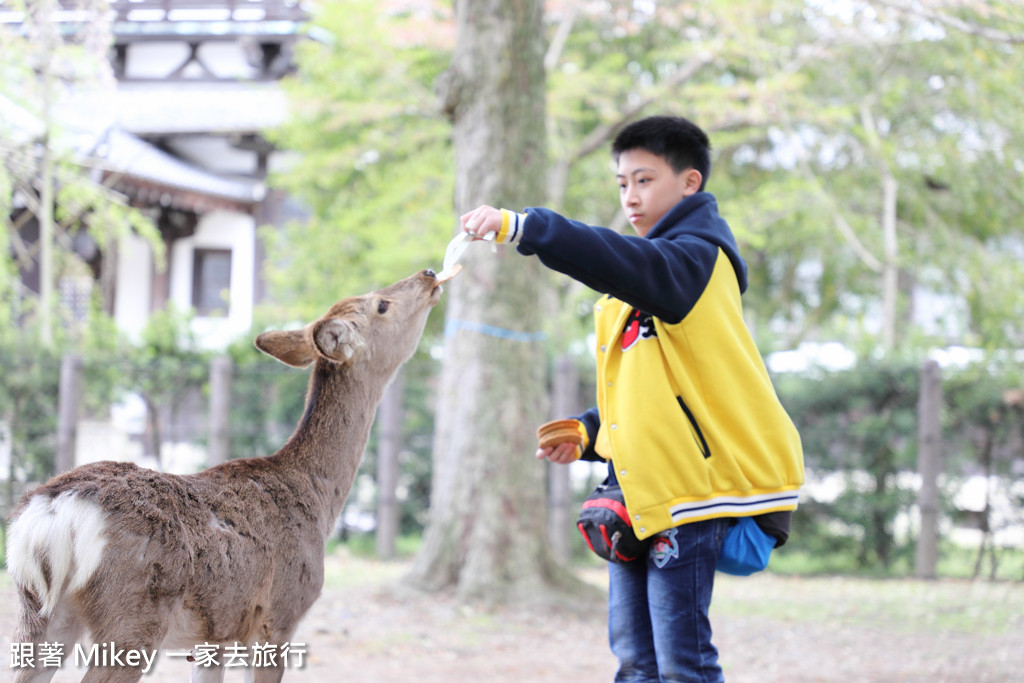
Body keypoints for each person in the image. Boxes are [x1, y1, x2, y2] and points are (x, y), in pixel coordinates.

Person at [459, 114, 804, 683]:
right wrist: (589, 433)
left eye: (644, 180)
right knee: (635, 662)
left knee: (682, 665)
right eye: (622, 184)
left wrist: (523, 227)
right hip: (642, 493)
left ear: (689, 182)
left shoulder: (696, 260)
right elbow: (656, 390)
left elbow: (616, 258)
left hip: (689, 493)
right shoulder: (648, 282)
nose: (630, 197)